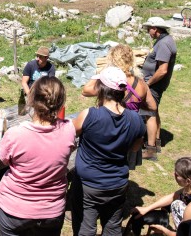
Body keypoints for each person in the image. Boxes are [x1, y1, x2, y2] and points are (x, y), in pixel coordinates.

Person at [71, 66, 146, 236]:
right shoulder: (135, 119)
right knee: (112, 228)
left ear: (101, 89)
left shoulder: (90, 115)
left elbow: (70, 133)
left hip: (88, 185)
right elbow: (135, 147)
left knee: (85, 229)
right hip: (117, 184)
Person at [0, 76, 76, 236]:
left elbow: (4, 159)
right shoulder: (69, 130)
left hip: (15, 208)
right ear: (60, 102)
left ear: (31, 99)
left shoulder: (15, 134)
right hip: (51, 210)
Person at [91, 44, 157, 170]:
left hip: (111, 128)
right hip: (131, 131)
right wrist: (137, 104)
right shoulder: (141, 83)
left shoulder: (110, 81)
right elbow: (152, 106)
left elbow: (86, 91)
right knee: (123, 166)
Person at [141, 17, 177, 160]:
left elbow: (162, 70)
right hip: (154, 85)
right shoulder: (164, 41)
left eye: (149, 28)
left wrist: (147, 84)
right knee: (154, 111)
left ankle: (151, 151)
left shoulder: (164, 43)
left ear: (155, 28)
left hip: (154, 86)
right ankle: (156, 143)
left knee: (149, 114)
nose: (148, 31)